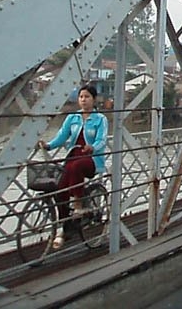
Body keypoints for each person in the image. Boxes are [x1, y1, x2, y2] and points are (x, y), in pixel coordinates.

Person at [38, 83, 109, 250]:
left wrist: (93, 147)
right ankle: (64, 228)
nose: (83, 100)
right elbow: (61, 136)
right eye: (81, 97)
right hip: (73, 156)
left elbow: (102, 140)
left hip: (92, 159)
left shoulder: (100, 119)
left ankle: (78, 205)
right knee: (60, 190)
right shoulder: (72, 118)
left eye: (87, 97)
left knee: (75, 167)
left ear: (94, 99)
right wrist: (48, 145)